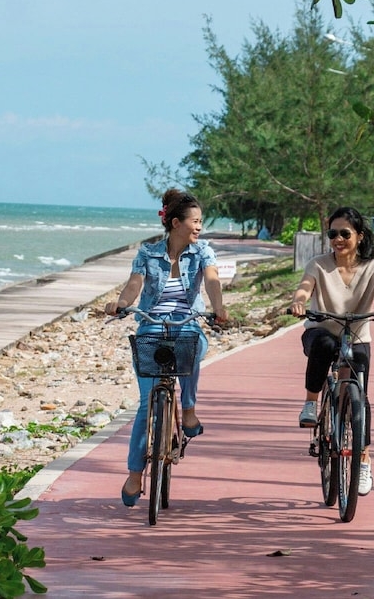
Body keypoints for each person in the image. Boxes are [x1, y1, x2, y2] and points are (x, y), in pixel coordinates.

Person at [105, 188, 228, 507]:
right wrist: (121, 304)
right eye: (195, 221)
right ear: (176, 223)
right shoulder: (147, 253)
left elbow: (212, 281)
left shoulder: (203, 253)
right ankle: (135, 473)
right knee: (146, 405)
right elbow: (134, 284)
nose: (199, 227)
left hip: (186, 323)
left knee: (191, 345)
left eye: (201, 221)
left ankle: (188, 408)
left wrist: (218, 308)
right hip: (151, 326)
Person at [287, 206, 374, 496]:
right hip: (320, 331)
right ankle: (311, 403)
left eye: (345, 233)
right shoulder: (318, 264)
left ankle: (363, 459)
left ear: (359, 236)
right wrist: (299, 302)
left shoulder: (373, 267)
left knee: (360, 396)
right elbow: (305, 287)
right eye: (333, 233)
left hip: (357, 336)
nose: (338, 239)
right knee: (326, 345)